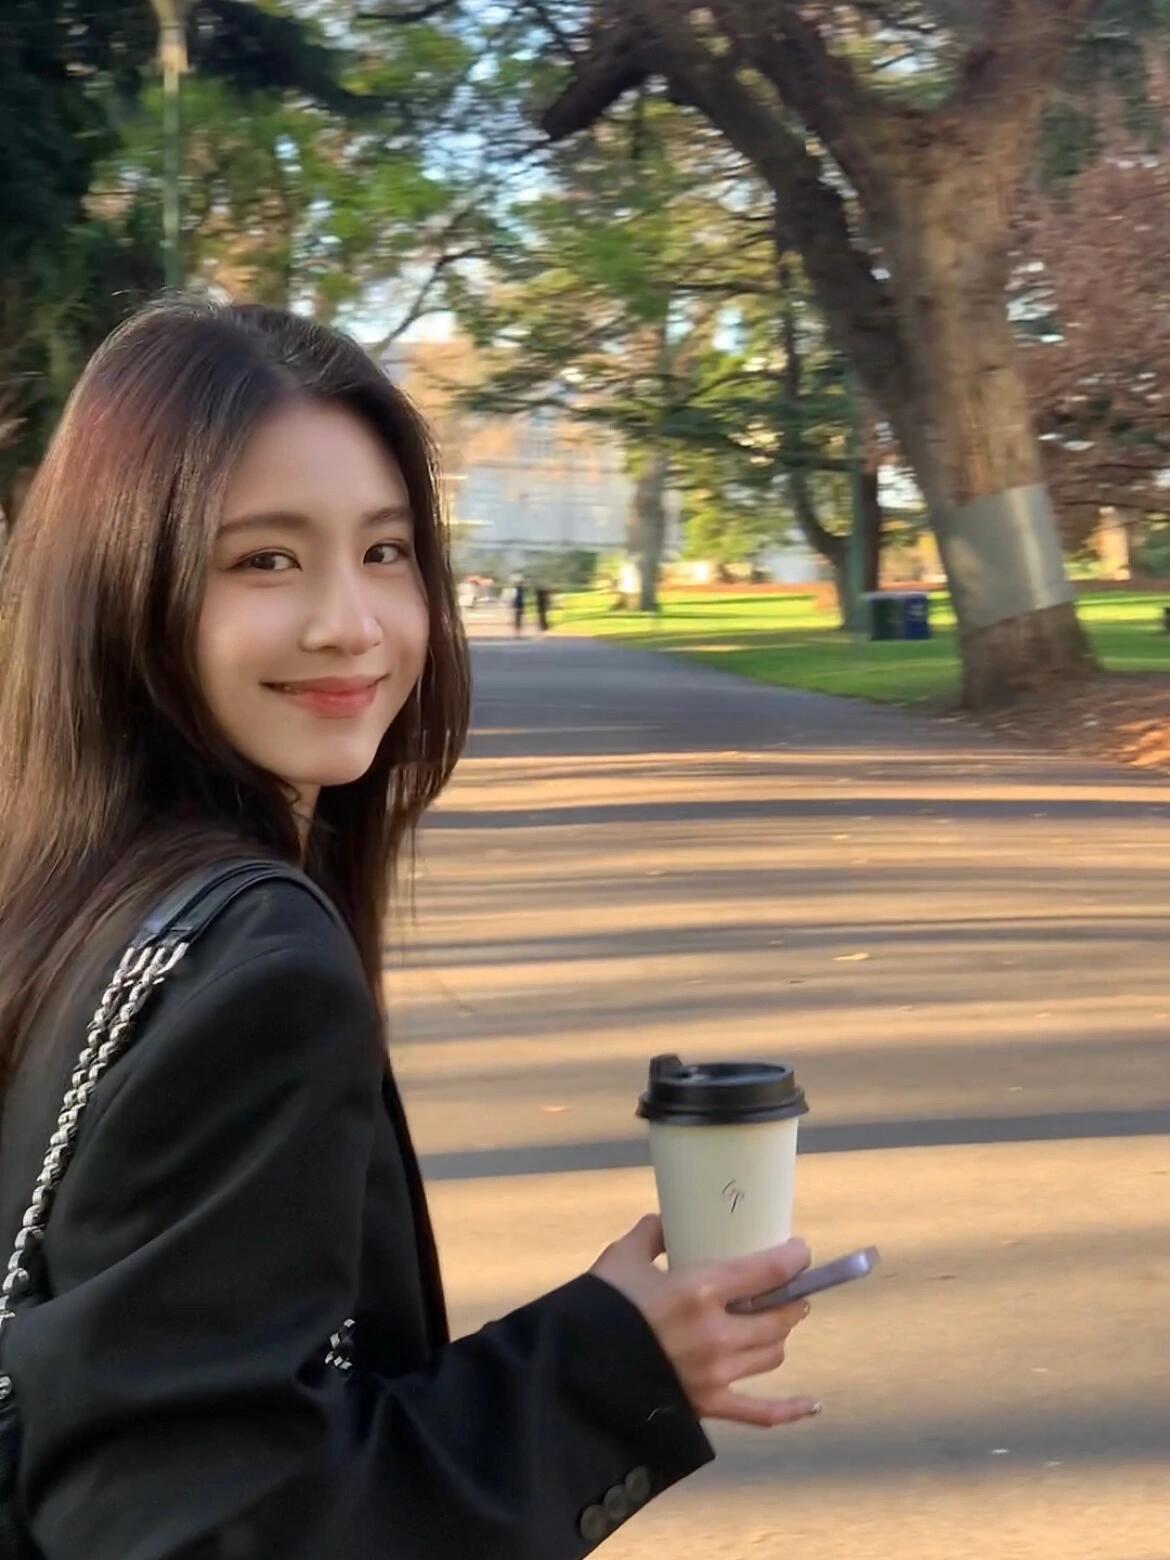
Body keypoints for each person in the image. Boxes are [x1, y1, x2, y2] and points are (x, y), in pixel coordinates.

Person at [0, 298, 819, 1560]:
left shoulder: (69, 895)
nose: (351, 621)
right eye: (264, 560)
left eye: (385, 551)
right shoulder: (254, 965)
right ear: (124, 586)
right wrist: (608, 1368)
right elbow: (196, 1525)